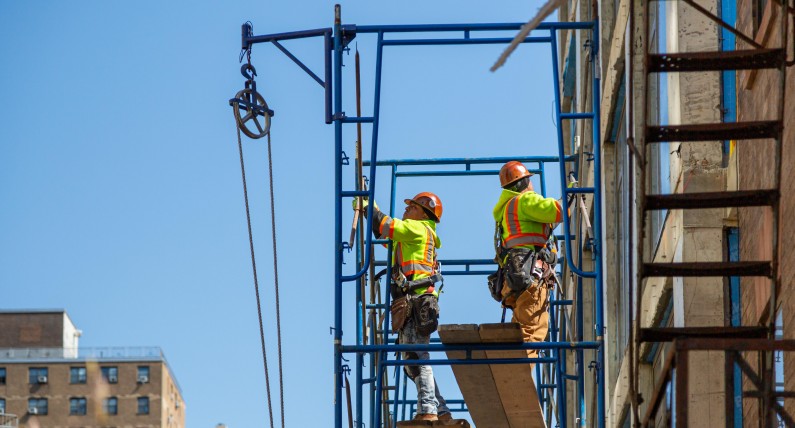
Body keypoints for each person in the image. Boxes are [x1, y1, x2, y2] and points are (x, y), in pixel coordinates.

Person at [355, 192, 452, 422]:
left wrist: (368, 205)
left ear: (424, 212)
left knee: (417, 358)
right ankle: (441, 411)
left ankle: (429, 409)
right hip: (414, 301)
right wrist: (372, 210)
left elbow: (385, 224)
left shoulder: (417, 229)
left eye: (412, 207)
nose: (406, 210)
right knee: (412, 361)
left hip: (416, 301)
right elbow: (381, 229)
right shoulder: (413, 232)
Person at [492, 161, 562, 359]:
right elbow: (557, 211)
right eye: (529, 180)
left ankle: (511, 374)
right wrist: (572, 194)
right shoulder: (525, 201)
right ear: (523, 183)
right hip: (531, 275)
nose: (531, 185)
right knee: (533, 331)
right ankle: (514, 381)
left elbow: (544, 224)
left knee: (521, 328)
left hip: (516, 275)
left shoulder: (507, 209)